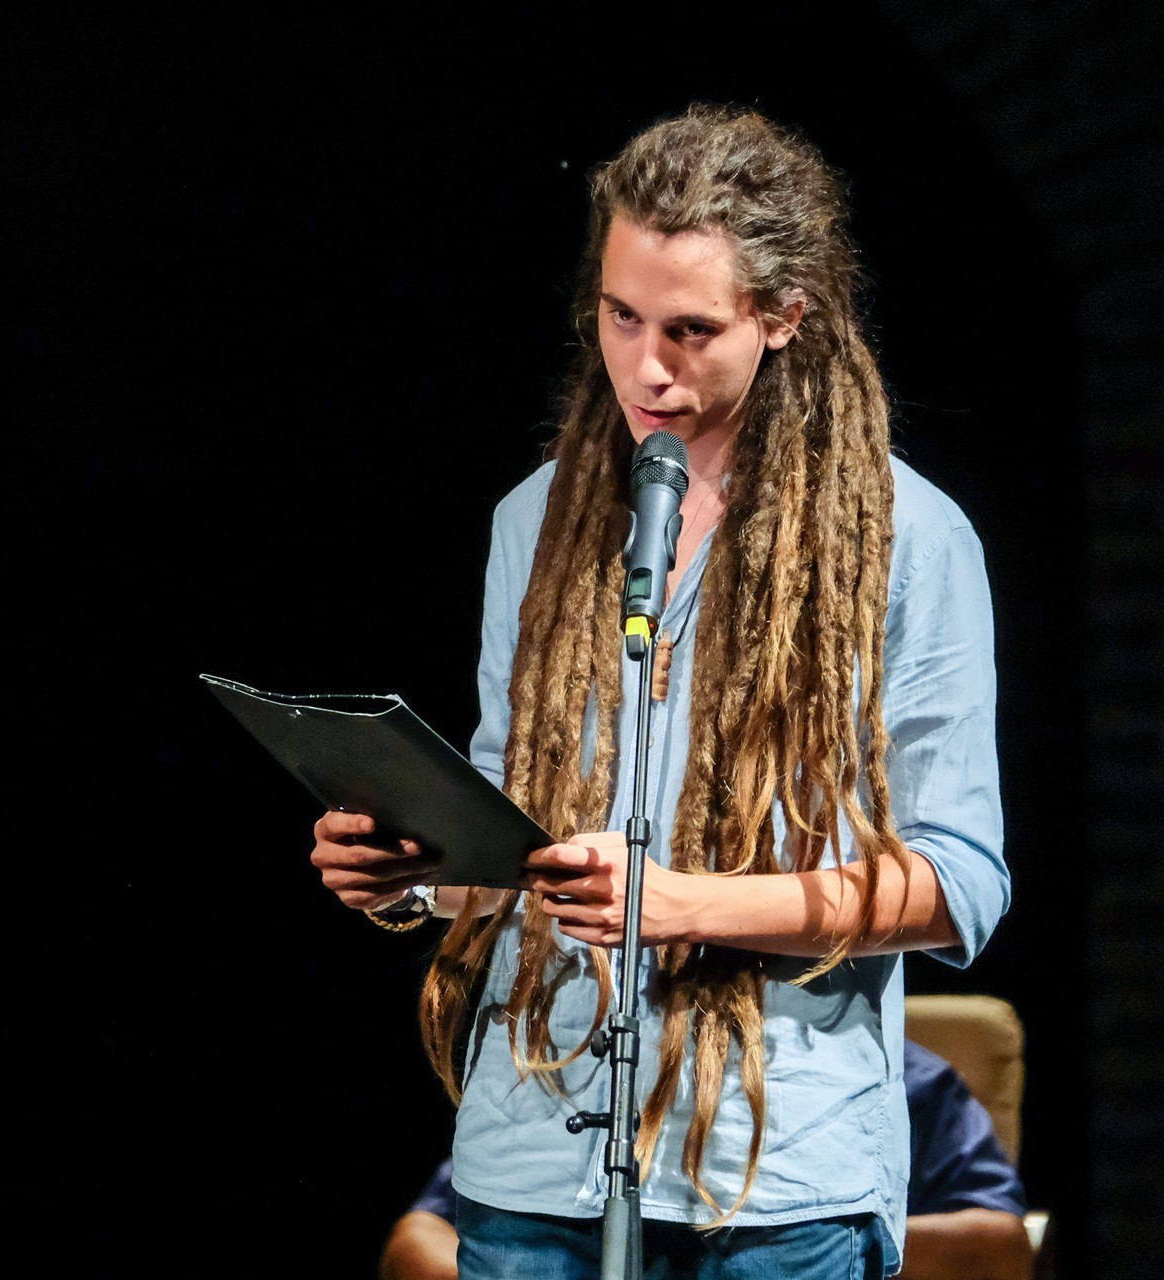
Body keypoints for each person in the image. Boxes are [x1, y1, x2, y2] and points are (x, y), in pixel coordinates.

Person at [311, 103, 1006, 1280]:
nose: (644, 366)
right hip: (535, 1162)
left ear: (784, 315)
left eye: (691, 329)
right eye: (620, 315)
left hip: (773, 1178)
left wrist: (683, 903)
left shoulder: (905, 538)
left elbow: (960, 880)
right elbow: (517, 828)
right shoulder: (536, 521)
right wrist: (416, 868)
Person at [379, 1041, 1033, 1280]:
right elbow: (419, 1241)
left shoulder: (909, 1084)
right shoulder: (598, 1075)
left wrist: (838, 1238)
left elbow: (999, 1243)